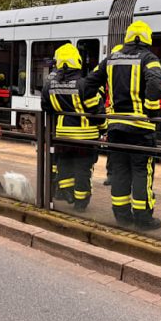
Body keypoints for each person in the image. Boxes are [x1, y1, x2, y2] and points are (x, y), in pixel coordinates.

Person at [83, 21, 161, 231]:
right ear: (147, 38)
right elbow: (155, 83)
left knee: (119, 171)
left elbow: (88, 84)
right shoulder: (149, 58)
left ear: (127, 37)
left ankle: (121, 216)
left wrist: (96, 111)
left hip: (116, 127)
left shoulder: (111, 58)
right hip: (141, 128)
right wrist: (151, 111)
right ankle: (143, 218)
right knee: (141, 171)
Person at [42, 44, 103, 211]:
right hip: (85, 138)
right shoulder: (85, 84)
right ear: (77, 61)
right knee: (83, 171)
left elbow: (46, 107)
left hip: (62, 137)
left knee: (64, 167)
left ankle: (68, 193)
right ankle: (80, 203)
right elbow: (97, 111)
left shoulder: (49, 86)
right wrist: (103, 128)